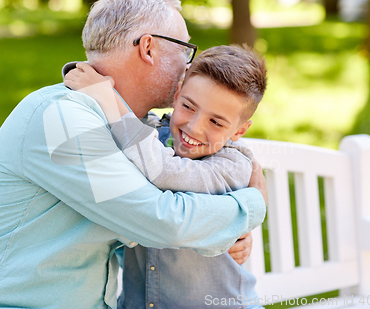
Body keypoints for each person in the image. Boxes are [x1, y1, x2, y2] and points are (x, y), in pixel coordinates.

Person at [0, 0, 267, 309]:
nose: (187, 65)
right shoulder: (63, 122)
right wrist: (250, 206)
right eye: (185, 48)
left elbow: (134, 227)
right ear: (149, 49)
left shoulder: (124, 127)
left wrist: (219, 234)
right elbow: (159, 222)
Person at [65, 44, 267, 308]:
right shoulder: (152, 135)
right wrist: (98, 84)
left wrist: (106, 96)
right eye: (188, 106)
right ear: (176, 94)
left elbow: (164, 171)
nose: (194, 127)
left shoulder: (234, 166)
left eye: (216, 122)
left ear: (240, 131)